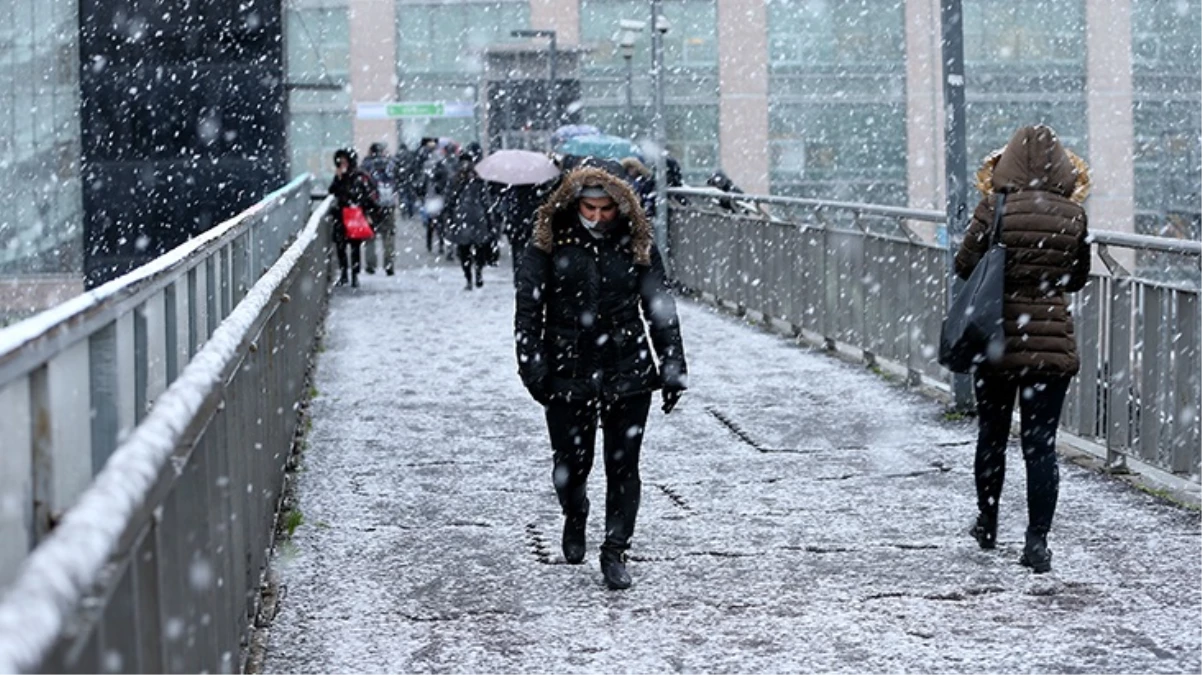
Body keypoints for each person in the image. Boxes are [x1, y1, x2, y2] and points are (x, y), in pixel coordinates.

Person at [514, 166, 688, 590]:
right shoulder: (549, 243)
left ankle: (615, 549)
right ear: (574, 205)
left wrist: (671, 367)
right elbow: (527, 311)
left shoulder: (636, 241)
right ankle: (575, 512)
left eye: (606, 208)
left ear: (619, 206)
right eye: (589, 208)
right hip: (566, 370)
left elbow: (658, 305)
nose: (597, 216)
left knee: (624, 465)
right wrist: (534, 370)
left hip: (626, 368)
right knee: (571, 467)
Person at [955, 124, 1091, 574]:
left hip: (994, 341)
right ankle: (1037, 543)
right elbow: (1075, 278)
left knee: (993, 436)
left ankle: (988, 523)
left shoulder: (994, 207)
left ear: (1007, 160)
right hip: (1049, 347)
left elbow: (963, 266)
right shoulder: (1074, 216)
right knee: (1041, 446)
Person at [440, 143, 496, 290]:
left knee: (463, 251)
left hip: (461, 218)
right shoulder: (478, 179)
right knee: (479, 249)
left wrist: (448, 217)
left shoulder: (455, 179)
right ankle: (478, 272)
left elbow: (449, 201)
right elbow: (486, 201)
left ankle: (469, 278)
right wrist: (490, 221)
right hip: (478, 218)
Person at [328, 148, 380, 288]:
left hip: (354, 215)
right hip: (341, 215)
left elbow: (363, 195)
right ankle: (344, 273)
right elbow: (332, 190)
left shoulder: (359, 176)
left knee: (354, 247)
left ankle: (354, 275)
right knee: (340, 246)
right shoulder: (340, 176)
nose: (343, 164)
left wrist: (366, 212)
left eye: (345, 161)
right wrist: (339, 179)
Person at [360, 142, 400, 275]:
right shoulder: (390, 164)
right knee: (388, 235)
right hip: (388, 204)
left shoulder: (366, 165)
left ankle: (370, 264)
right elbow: (398, 180)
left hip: (371, 205)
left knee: (369, 236)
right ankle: (389, 264)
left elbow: (361, 185)